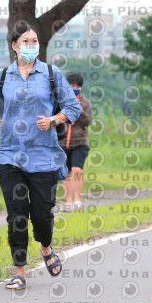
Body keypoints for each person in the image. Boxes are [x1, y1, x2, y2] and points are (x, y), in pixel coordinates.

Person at [0, 23, 81, 290]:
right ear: (14, 45)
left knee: (42, 215)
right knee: (17, 216)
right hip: (9, 155)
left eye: (35, 41)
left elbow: (72, 107)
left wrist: (54, 119)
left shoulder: (51, 74)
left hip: (44, 156)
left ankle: (45, 246)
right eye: (26, 41)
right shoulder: (1, 77)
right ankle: (19, 272)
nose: (31, 45)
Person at [58, 73, 92, 211]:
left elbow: (88, 122)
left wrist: (81, 111)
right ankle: (68, 202)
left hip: (80, 142)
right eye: (72, 85)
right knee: (66, 173)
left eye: (77, 86)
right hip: (63, 142)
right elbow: (57, 119)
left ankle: (77, 201)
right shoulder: (61, 101)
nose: (74, 88)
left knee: (77, 170)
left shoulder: (85, 103)